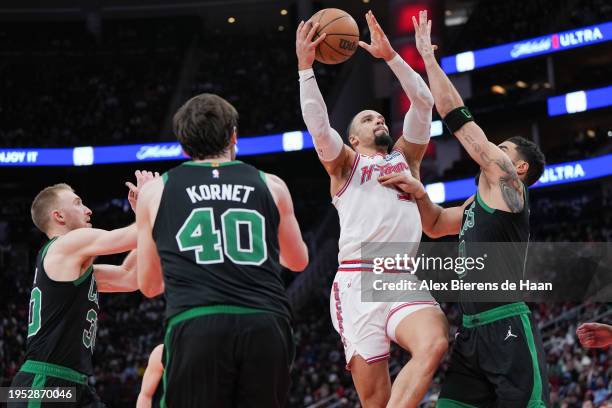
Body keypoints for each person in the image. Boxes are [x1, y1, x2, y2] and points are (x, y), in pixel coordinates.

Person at [380, 11, 548, 407]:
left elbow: (461, 121)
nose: (493, 150)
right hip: (471, 331)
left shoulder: (509, 187)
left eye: (502, 148)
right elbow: (436, 225)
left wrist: (429, 60)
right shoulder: (478, 202)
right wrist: (418, 192)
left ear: (518, 166)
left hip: (507, 322)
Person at [296, 11, 448, 408]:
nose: (378, 119)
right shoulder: (344, 164)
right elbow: (318, 127)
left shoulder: (406, 159)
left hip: (398, 275)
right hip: (357, 282)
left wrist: (392, 58)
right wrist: (305, 69)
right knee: (375, 400)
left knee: (433, 343)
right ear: (353, 137)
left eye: (381, 116)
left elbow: (423, 100)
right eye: (368, 118)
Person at [136, 93, 309, 407]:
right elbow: (297, 261)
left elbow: (149, 286)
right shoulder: (270, 184)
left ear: (184, 146)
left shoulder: (156, 191)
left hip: (197, 323)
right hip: (265, 322)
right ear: (233, 136)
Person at [9, 171, 156, 408]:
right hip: (43, 384)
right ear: (58, 216)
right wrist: (150, 198)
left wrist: (142, 214)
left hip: (71, 385)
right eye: (78, 203)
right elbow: (131, 236)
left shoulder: (72, 266)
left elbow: (130, 277)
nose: (88, 210)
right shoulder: (65, 244)